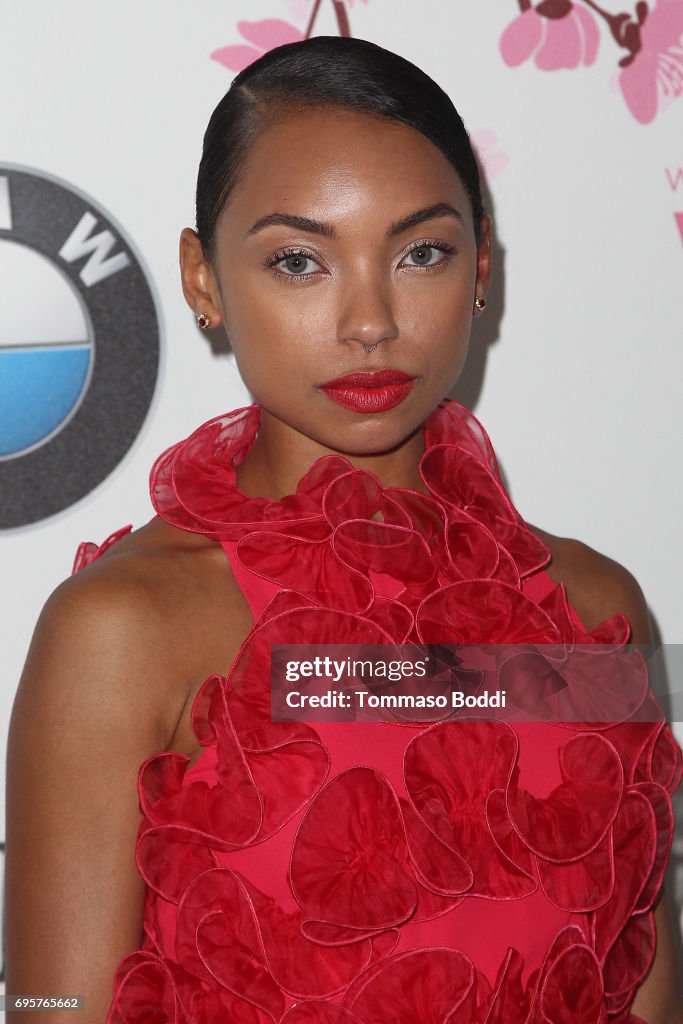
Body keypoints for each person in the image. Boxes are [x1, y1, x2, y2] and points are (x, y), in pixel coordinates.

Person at [5, 34, 683, 1024]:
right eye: (298, 260)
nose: (370, 318)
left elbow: (642, 984)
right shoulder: (123, 630)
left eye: (421, 252)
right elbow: (55, 1006)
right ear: (202, 281)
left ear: (482, 264)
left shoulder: (592, 612)